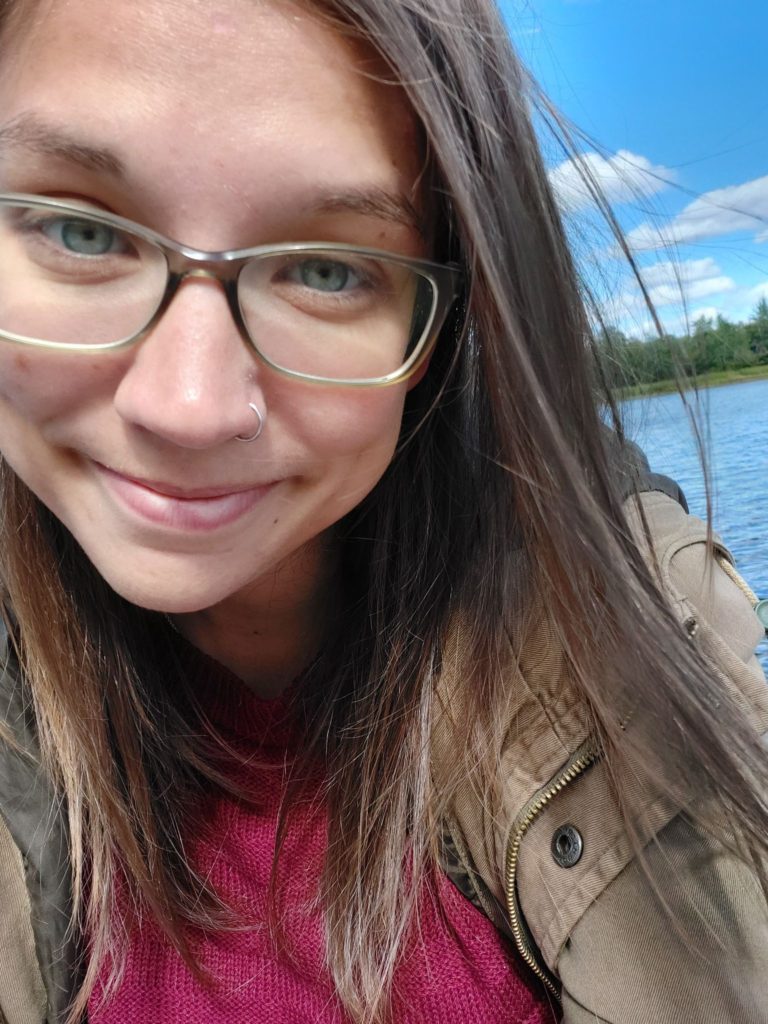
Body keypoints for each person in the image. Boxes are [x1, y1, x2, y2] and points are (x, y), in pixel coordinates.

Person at [0, 0, 766, 1022]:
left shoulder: (637, 645)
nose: (188, 408)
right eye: (80, 232)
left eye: (325, 270)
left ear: (445, 333)